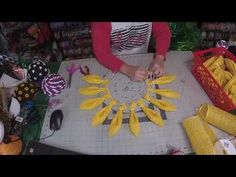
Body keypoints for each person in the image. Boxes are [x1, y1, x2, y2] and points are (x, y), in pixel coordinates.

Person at [91, 22, 171, 81]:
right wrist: (127, 69)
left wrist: (160, 57)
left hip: (141, 56)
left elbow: (163, 32)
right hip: (113, 61)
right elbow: (102, 53)